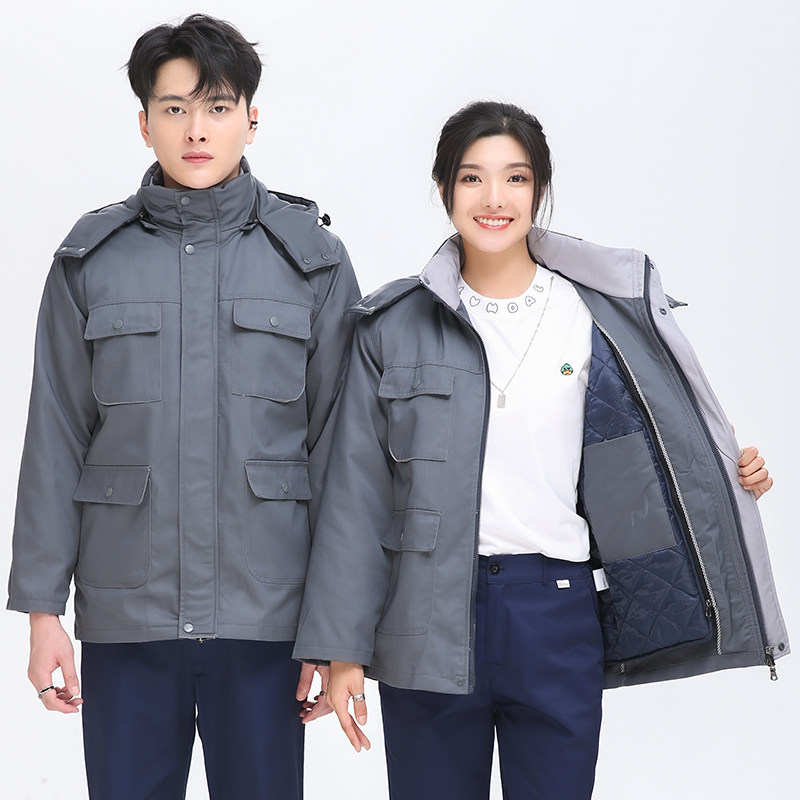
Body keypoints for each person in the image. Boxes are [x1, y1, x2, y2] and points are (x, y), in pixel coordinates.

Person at [292, 101, 788, 799]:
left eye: (516, 178)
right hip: (423, 618)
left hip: (555, 614)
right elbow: (355, 497)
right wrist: (341, 648)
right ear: (443, 189)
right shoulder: (391, 325)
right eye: (472, 178)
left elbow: (654, 446)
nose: (494, 199)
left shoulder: (596, 314)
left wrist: (734, 473)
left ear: (540, 189)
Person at [7, 14, 358, 799]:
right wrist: (41, 611)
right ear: (144, 123)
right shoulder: (89, 262)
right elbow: (55, 437)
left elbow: (345, 455)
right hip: (128, 620)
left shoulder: (313, 262)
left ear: (251, 119)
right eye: (174, 108)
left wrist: (334, 630)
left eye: (218, 106)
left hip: (267, 622)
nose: (196, 130)